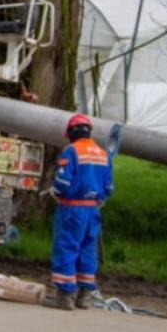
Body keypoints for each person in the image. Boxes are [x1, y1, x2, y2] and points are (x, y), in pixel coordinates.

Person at [42, 113, 114, 310]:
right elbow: (108, 188)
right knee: (87, 250)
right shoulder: (102, 153)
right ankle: (83, 296)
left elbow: (63, 182)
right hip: (93, 211)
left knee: (67, 247)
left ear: (71, 133)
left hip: (72, 209)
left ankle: (64, 297)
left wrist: (54, 192)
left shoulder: (71, 151)